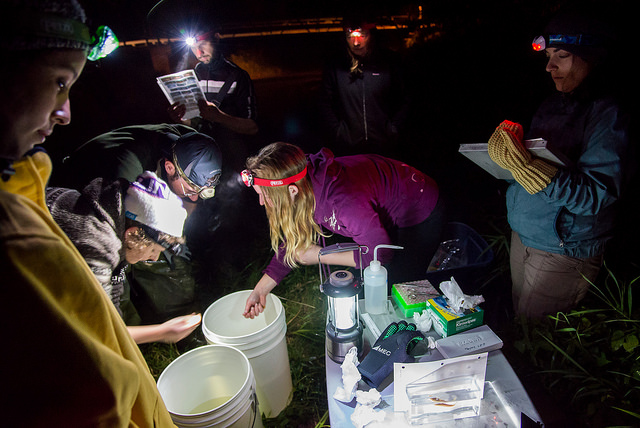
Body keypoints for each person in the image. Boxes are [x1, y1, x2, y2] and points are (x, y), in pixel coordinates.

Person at [0, 0, 175, 425]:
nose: (66, 113)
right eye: (61, 82)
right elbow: (88, 357)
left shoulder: (26, 185)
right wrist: (164, 333)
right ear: (135, 235)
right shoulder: (78, 241)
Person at [487, 6, 633, 319]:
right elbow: (533, 164)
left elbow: (596, 195)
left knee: (536, 337)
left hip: (563, 247)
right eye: (548, 56)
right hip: (524, 234)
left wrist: (528, 168)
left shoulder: (608, 115)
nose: (550, 66)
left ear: (594, 57)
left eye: (562, 55)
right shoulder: (552, 104)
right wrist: (506, 161)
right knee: (519, 324)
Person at [242, 142, 445, 319]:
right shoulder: (303, 182)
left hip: (419, 207)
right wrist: (260, 290)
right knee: (371, 284)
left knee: (397, 288)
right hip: (385, 204)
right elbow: (293, 243)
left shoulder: (343, 202)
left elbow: (380, 255)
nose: (261, 203)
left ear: (292, 191)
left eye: (264, 195)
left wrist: (319, 255)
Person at [47, 171, 202, 344]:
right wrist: (163, 333)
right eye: (153, 250)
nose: (153, 258)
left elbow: (112, 303)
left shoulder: (116, 217)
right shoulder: (96, 243)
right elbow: (97, 332)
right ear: (134, 234)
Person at [54, 123, 222, 215]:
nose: (194, 198)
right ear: (169, 168)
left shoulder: (191, 144)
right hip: (67, 187)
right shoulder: (127, 173)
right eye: (191, 190)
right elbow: (116, 229)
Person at [318, 14, 411, 158]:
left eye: (362, 36)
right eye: (350, 37)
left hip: (384, 146)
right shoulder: (336, 66)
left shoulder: (389, 62)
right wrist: (338, 131)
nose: (356, 42)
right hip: (349, 148)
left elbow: (406, 98)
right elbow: (324, 102)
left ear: (371, 36)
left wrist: (394, 128)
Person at [168, 26, 258, 173]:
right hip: (203, 162)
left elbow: (253, 127)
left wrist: (219, 117)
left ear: (216, 38)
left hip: (232, 163)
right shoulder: (193, 75)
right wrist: (181, 118)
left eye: (203, 44)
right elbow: (194, 124)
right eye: (193, 47)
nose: (199, 52)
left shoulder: (238, 76)